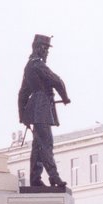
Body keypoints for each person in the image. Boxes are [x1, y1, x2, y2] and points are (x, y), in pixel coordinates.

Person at [17, 34, 70, 188]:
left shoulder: (29, 66)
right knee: (46, 144)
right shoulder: (38, 65)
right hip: (41, 108)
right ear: (39, 48)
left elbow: (23, 93)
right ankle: (54, 176)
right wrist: (65, 97)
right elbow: (57, 80)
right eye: (46, 48)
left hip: (34, 109)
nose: (47, 52)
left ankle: (35, 178)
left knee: (37, 146)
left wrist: (22, 115)